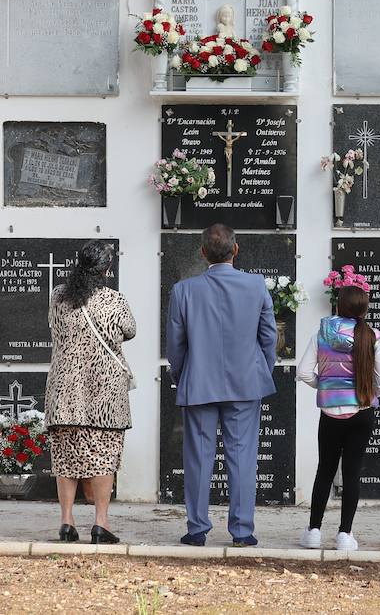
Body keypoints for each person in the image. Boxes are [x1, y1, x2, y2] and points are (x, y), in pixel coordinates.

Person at [167, 224, 277, 547]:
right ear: (236, 249)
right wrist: (259, 372)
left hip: (199, 381)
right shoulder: (256, 286)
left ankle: (197, 529)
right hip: (245, 383)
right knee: (243, 456)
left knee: (199, 456)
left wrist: (181, 375)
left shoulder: (183, 291)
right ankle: (242, 532)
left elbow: (175, 345)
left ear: (202, 253)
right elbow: (269, 337)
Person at [43, 240, 135, 545]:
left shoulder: (58, 296)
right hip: (103, 394)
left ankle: (66, 522)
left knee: (65, 459)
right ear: (106, 269)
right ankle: (101, 523)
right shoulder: (114, 301)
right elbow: (130, 330)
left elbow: (55, 330)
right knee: (103, 457)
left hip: (65, 391)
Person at [295, 285, 380, 552]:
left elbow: (303, 372)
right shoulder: (372, 338)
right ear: (364, 309)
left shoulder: (321, 335)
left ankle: (313, 531)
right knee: (352, 473)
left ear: (338, 306)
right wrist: (366, 393)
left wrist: (325, 387)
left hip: (330, 414)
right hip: (361, 413)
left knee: (325, 470)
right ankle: (344, 535)